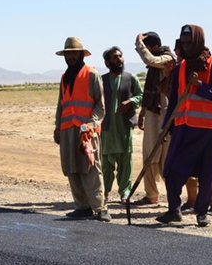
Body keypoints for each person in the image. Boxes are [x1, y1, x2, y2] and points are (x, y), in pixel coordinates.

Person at [156, 25, 212, 227]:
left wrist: (200, 86)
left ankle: (202, 213)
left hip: (206, 130)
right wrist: (165, 127)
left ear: (199, 42)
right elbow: (174, 99)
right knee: (171, 170)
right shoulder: (181, 67)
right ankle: (173, 210)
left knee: (206, 173)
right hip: (182, 128)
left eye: (190, 43)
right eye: (183, 43)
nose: (186, 47)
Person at [53, 37, 110, 222]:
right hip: (68, 130)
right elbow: (61, 105)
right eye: (68, 53)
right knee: (72, 168)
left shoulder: (92, 74)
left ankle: (101, 208)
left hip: (87, 131)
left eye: (74, 53)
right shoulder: (64, 77)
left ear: (81, 54)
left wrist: (91, 125)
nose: (71, 56)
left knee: (91, 168)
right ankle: (82, 206)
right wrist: (57, 127)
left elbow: (100, 106)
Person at [131, 32, 175, 206]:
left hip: (165, 115)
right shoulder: (153, 68)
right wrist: (142, 113)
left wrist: (139, 43)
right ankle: (151, 195)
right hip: (152, 114)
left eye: (147, 48)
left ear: (154, 47)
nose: (145, 51)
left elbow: (149, 60)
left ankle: (175, 199)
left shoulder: (167, 58)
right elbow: (149, 91)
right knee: (148, 154)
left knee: (166, 157)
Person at [100, 47, 143, 204]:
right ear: (107, 62)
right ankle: (103, 193)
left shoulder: (131, 79)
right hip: (107, 128)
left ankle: (125, 193)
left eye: (120, 56)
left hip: (124, 128)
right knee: (107, 163)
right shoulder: (101, 80)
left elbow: (141, 95)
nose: (119, 60)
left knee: (126, 161)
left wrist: (131, 101)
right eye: (115, 57)